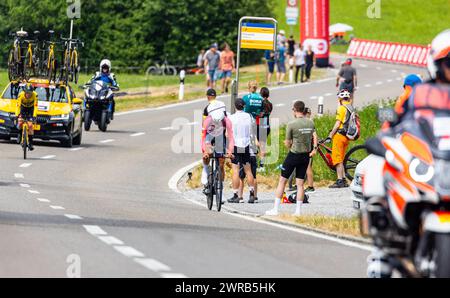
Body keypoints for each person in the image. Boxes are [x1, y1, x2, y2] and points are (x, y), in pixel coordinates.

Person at [265, 101, 318, 216]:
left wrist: (289, 145)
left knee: (282, 181)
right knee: (300, 184)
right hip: (305, 156)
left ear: (295, 110)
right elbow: (314, 136)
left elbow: (287, 142)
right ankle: (298, 211)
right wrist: (314, 148)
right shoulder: (310, 122)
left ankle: (275, 209)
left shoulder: (291, 124)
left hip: (294, 154)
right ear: (303, 110)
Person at [201, 100, 235, 197]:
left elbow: (231, 138)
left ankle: (219, 186)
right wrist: (205, 152)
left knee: (221, 162)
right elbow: (203, 138)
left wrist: (230, 151)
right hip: (209, 135)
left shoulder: (226, 121)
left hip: (220, 137)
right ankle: (206, 169)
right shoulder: (207, 121)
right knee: (208, 153)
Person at [228, 98, 257, 204]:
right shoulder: (249, 116)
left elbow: (229, 134)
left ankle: (236, 195)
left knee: (235, 170)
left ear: (235, 106)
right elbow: (252, 130)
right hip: (246, 144)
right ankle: (252, 194)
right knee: (248, 170)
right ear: (244, 106)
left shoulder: (231, 118)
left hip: (236, 144)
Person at [327, 89, 353, 188]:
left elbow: (338, 124)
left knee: (337, 159)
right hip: (347, 136)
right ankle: (343, 180)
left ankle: (340, 181)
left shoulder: (342, 108)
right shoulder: (350, 107)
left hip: (340, 135)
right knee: (341, 159)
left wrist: (331, 135)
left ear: (340, 98)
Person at [15, 83, 38, 151]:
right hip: (23, 108)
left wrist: (34, 116)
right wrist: (17, 115)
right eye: (27, 93)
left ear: (32, 92)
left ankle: (30, 143)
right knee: (20, 122)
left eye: (30, 93)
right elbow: (18, 106)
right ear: (24, 92)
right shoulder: (20, 95)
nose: (28, 94)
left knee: (30, 125)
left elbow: (36, 107)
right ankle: (19, 134)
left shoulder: (35, 95)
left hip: (31, 109)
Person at [258, 87, 273, 171]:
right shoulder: (270, 104)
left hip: (261, 124)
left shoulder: (260, 103)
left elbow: (259, 115)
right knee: (262, 146)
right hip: (267, 125)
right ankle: (262, 165)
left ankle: (260, 165)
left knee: (258, 145)